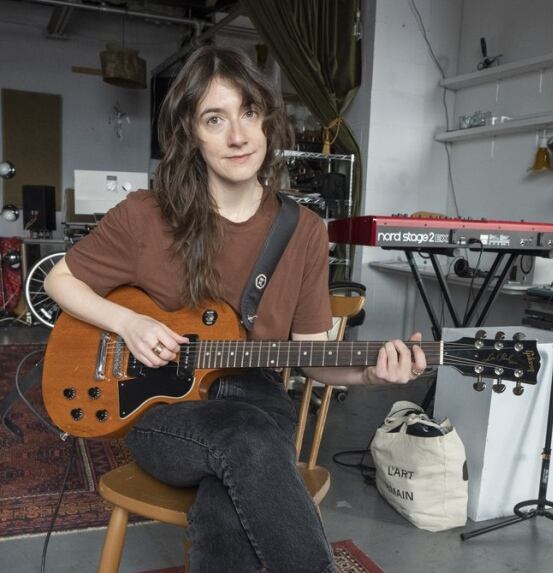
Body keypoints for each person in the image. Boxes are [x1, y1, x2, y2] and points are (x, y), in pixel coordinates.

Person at [44, 45, 426, 573]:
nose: (238, 136)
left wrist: (370, 374)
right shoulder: (145, 215)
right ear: (191, 132)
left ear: (268, 120)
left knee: (227, 506)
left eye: (249, 112)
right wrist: (127, 323)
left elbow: (312, 356)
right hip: (162, 413)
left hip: (259, 399)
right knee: (249, 440)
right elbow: (59, 279)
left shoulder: (303, 230)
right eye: (215, 119)